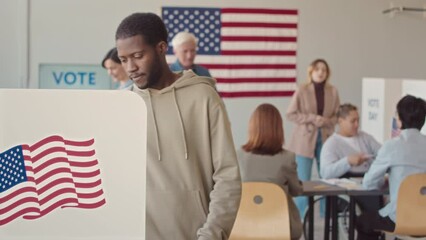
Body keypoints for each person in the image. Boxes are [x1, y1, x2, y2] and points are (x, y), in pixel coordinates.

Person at [115, 13, 241, 240]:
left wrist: (212, 234)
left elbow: (227, 176)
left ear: (161, 48)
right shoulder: (123, 105)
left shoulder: (204, 96)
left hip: (198, 233)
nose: (131, 67)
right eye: (124, 60)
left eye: (138, 56)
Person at [357, 95, 426, 240]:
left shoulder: (392, 146)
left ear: (400, 121)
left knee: (363, 222)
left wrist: (388, 180)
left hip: (401, 219)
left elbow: (369, 183)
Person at [238, 103, 303, 240]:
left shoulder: (238, 156)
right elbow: (297, 191)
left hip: (244, 225)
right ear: (278, 129)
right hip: (281, 226)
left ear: (252, 127)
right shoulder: (287, 158)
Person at [286, 59, 340, 218]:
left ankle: (327, 216)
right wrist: (311, 118)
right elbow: (290, 114)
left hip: (325, 138)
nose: (321, 72)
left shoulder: (333, 91)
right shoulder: (302, 90)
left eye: (324, 69)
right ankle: (300, 218)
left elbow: (338, 115)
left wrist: (327, 121)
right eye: (317, 69)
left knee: (327, 178)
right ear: (311, 71)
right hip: (304, 140)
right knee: (303, 180)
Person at [320, 103, 381, 179]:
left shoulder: (365, 137)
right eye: (353, 121)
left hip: (369, 181)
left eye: (358, 120)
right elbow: (325, 173)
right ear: (340, 121)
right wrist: (348, 161)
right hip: (346, 185)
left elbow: (383, 153)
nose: (357, 125)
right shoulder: (331, 144)